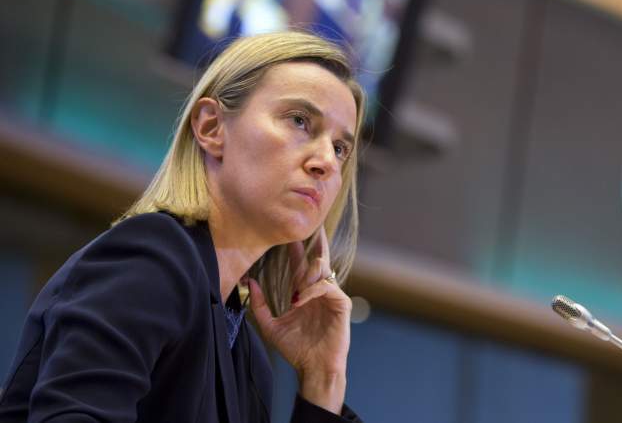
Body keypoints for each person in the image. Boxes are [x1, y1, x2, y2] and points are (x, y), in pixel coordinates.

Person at [0, 30, 367, 422]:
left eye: (340, 148)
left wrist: (324, 379)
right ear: (211, 127)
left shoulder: (248, 356)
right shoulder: (152, 256)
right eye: (299, 121)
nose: (326, 162)